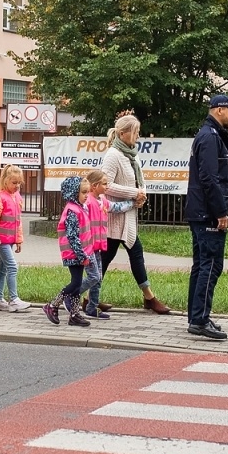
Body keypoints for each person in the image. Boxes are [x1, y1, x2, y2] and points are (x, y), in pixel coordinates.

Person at [184, 94, 228, 340]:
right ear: (219, 110)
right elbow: (209, 178)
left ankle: (197, 316)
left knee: (201, 265)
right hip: (207, 213)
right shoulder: (210, 137)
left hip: (201, 211)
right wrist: (220, 212)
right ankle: (200, 320)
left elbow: (222, 175)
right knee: (211, 265)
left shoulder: (211, 135)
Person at [99, 112, 171, 315]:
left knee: (130, 254)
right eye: (135, 132)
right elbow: (106, 185)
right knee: (108, 258)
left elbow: (140, 180)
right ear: (122, 133)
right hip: (114, 217)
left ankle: (148, 297)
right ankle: (148, 298)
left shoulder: (132, 154)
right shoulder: (113, 155)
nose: (138, 135)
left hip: (128, 215)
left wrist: (142, 195)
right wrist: (134, 193)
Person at [81, 169, 135, 319]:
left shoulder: (102, 200)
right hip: (88, 247)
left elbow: (116, 208)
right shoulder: (87, 202)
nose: (107, 187)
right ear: (94, 186)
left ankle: (92, 307)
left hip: (97, 246)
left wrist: (133, 203)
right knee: (94, 277)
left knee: (98, 278)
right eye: (104, 184)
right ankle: (69, 295)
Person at [42, 176, 93, 327]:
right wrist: (81, 255)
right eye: (83, 192)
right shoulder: (72, 211)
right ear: (73, 192)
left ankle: (75, 314)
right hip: (74, 253)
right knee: (75, 282)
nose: (87, 195)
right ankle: (53, 304)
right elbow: (72, 236)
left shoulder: (79, 208)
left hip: (80, 253)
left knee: (77, 284)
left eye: (88, 192)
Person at [0, 164, 30, 311]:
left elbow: (18, 220)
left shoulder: (17, 197)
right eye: (14, 182)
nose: (17, 186)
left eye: (19, 183)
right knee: (12, 267)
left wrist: (19, 239)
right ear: (5, 181)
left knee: (3, 270)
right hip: (1, 241)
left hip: (10, 240)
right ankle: (14, 299)